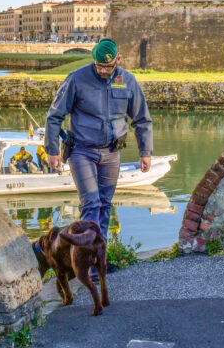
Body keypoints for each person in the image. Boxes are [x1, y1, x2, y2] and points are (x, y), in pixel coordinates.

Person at [45, 38, 153, 242]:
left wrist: (145, 152)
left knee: (105, 204)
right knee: (91, 204)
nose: (103, 70)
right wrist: (52, 150)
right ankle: (87, 254)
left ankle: (99, 253)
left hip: (112, 152)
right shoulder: (76, 79)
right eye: (99, 66)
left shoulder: (128, 81)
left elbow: (142, 119)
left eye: (108, 66)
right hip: (81, 151)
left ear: (118, 59)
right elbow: (55, 116)